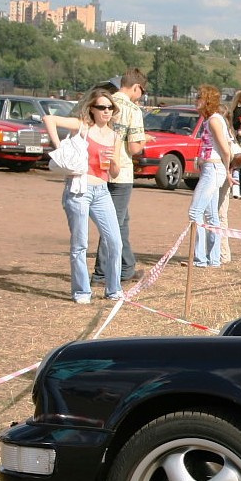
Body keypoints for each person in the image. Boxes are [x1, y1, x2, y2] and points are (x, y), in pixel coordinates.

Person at [41, 87, 124, 304]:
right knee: (80, 244)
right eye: (101, 107)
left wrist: (114, 163)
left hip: (102, 191)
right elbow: (48, 118)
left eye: (110, 107)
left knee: (115, 241)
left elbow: (114, 173)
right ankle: (82, 291)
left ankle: (113, 289)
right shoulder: (83, 127)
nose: (106, 111)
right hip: (79, 189)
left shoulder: (115, 137)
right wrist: (59, 149)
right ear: (92, 109)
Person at [91, 68, 147, 286]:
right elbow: (133, 147)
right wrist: (144, 141)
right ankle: (101, 273)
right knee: (112, 223)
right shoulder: (133, 110)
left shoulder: (101, 102)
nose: (141, 96)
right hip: (121, 171)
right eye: (141, 91)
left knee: (121, 221)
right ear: (135, 87)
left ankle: (126, 267)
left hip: (99, 170)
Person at [187, 84, 235, 268]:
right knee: (211, 215)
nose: (195, 100)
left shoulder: (214, 120)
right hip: (213, 168)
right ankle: (213, 259)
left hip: (214, 169)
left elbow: (225, 149)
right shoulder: (212, 119)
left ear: (207, 101)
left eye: (198, 97)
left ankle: (200, 258)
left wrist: (227, 171)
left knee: (195, 212)